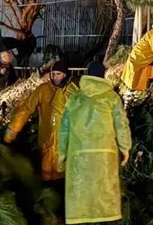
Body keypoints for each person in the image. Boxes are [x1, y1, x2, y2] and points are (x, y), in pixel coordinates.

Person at [58, 61, 131, 224]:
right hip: (105, 156)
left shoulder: (75, 98)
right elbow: (121, 124)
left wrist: (61, 153)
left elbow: (64, 129)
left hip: (79, 156)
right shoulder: (111, 98)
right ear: (103, 76)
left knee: (81, 198)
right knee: (106, 197)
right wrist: (125, 148)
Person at [5, 60, 78, 182]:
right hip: (46, 138)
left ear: (65, 75)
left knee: (62, 174)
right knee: (45, 171)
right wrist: (13, 128)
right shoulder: (43, 90)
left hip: (65, 141)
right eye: (53, 74)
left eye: (58, 74)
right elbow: (26, 108)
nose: (55, 77)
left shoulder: (72, 91)